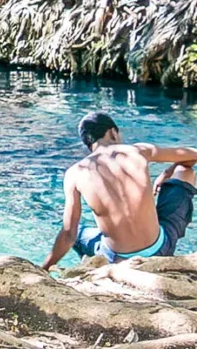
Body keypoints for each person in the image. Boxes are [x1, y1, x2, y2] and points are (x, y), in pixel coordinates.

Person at [41, 112, 197, 270]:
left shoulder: (74, 173)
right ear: (112, 133)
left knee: (79, 233)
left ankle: (94, 266)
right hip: (160, 249)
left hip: (116, 259)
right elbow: (193, 155)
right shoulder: (138, 151)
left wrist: (43, 269)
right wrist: (167, 173)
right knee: (185, 170)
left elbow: (68, 234)